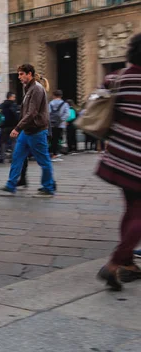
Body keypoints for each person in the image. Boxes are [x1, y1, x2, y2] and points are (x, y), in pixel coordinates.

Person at [96, 33, 141, 291]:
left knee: (131, 209)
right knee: (139, 213)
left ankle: (129, 263)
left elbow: (102, 92)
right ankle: (114, 264)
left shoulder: (118, 78)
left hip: (120, 156)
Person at [0, 64, 56, 197]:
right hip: (27, 131)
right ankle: (11, 185)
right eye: (18, 74)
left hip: (37, 131)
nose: (19, 77)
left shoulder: (37, 89)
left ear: (29, 74)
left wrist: (17, 128)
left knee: (43, 160)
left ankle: (48, 188)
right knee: (17, 157)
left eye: (21, 74)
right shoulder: (28, 88)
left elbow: (32, 113)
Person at [48, 90, 70, 161]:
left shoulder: (50, 103)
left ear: (53, 95)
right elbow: (67, 114)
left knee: (52, 139)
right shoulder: (65, 104)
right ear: (61, 96)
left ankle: (52, 153)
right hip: (60, 125)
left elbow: (47, 113)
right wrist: (61, 120)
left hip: (51, 124)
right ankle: (55, 154)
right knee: (57, 139)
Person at [0, 92, 19, 163]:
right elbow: (16, 116)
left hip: (4, 126)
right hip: (13, 126)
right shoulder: (14, 105)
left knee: (3, 142)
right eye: (14, 97)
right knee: (14, 141)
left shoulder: (2, 105)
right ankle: (14, 157)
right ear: (10, 97)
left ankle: (3, 157)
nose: (14, 98)